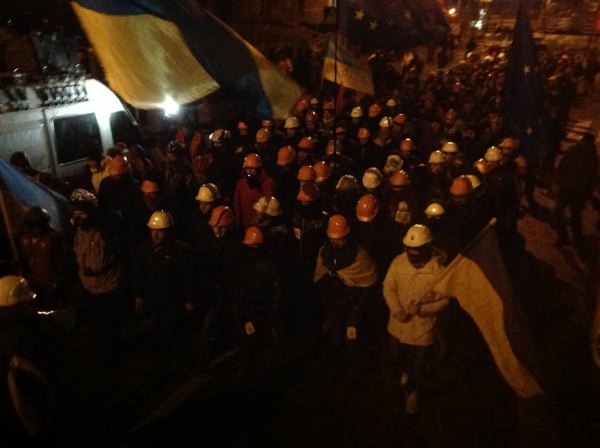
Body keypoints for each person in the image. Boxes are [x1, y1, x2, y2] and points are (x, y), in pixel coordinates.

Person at [383, 224, 449, 414]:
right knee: (396, 355)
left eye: (416, 249)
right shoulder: (398, 263)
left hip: (423, 327)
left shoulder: (438, 271)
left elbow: (445, 300)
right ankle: (405, 374)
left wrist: (422, 309)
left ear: (427, 247)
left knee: (419, 364)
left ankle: (412, 392)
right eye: (409, 248)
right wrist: (397, 310)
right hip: (398, 324)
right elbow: (389, 287)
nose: (412, 252)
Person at [132, 211, 197, 382]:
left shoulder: (179, 251)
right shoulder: (144, 249)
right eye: (153, 230)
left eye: (160, 231)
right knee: (160, 331)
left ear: (168, 231)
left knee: (172, 333)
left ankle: (167, 368)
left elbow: (187, 277)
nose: (155, 234)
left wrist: (190, 299)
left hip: (173, 300)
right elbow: (139, 273)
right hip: (154, 299)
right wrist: (139, 294)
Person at [314, 215, 377, 357]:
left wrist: (357, 308)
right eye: (332, 237)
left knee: (352, 337)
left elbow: (369, 282)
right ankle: (336, 357)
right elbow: (320, 275)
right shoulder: (325, 252)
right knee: (335, 334)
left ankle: (352, 359)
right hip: (335, 303)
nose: (335, 241)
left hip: (352, 304)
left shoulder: (359, 256)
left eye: (339, 238)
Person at [553, 133, 599, 250]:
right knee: (576, 215)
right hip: (580, 191)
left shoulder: (574, 150)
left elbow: (563, 165)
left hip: (567, 187)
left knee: (558, 212)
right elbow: (593, 178)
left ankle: (562, 237)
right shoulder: (594, 157)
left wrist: (557, 180)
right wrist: (588, 193)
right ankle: (577, 239)